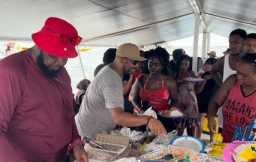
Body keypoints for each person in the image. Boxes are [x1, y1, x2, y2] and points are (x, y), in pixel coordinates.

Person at [0, 17, 88, 162]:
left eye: (65, 58)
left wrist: (77, 143)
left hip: (62, 157)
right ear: (39, 45)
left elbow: (67, 114)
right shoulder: (10, 71)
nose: (60, 63)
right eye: (53, 56)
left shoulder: (62, 73)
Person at [75, 43, 167, 139]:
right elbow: (118, 117)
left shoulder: (111, 72)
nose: (137, 66)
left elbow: (116, 97)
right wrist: (149, 120)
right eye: (135, 62)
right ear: (123, 60)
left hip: (97, 130)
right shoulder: (111, 78)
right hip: (90, 135)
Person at [208, 53, 256, 142]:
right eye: (237, 72)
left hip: (252, 148)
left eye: (244, 75)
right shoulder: (232, 81)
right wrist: (211, 116)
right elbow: (215, 102)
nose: (239, 77)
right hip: (227, 142)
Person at [129, 47, 178, 132]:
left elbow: (176, 101)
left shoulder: (169, 81)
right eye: (150, 64)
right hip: (145, 117)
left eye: (156, 64)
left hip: (163, 119)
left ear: (163, 66)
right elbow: (133, 98)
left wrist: (169, 111)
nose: (152, 67)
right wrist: (140, 110)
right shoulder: (141, 78)